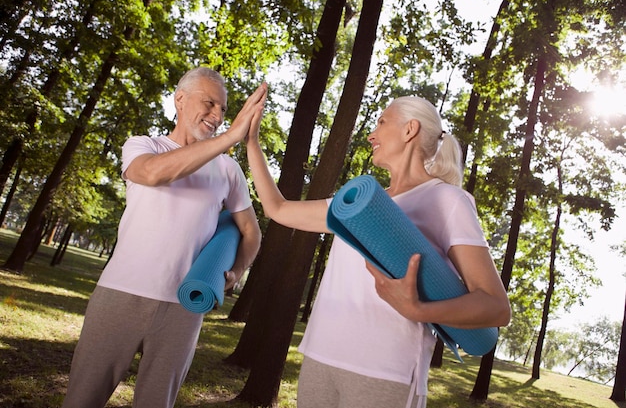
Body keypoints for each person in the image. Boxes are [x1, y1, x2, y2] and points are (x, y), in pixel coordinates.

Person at [245, 93, 511, 408]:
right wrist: (250, 142)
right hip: (321, 356)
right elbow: (278, 209)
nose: (372, 134)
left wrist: (419, 311)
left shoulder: (448, 200)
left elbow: (496, 307)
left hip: (385, 371)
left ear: (410, 130)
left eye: (382, 122)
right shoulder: (362, 204)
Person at [62, 67, 266, 408]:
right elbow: (154, 173)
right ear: (180, 100)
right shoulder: (143, 145)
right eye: (209, 103)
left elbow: (251, 232)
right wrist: (229, 138)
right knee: (82, 399)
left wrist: (237, 270)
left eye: (224, 110)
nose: (217, 115)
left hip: (183, 307)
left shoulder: (229, 171)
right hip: (120, 293)